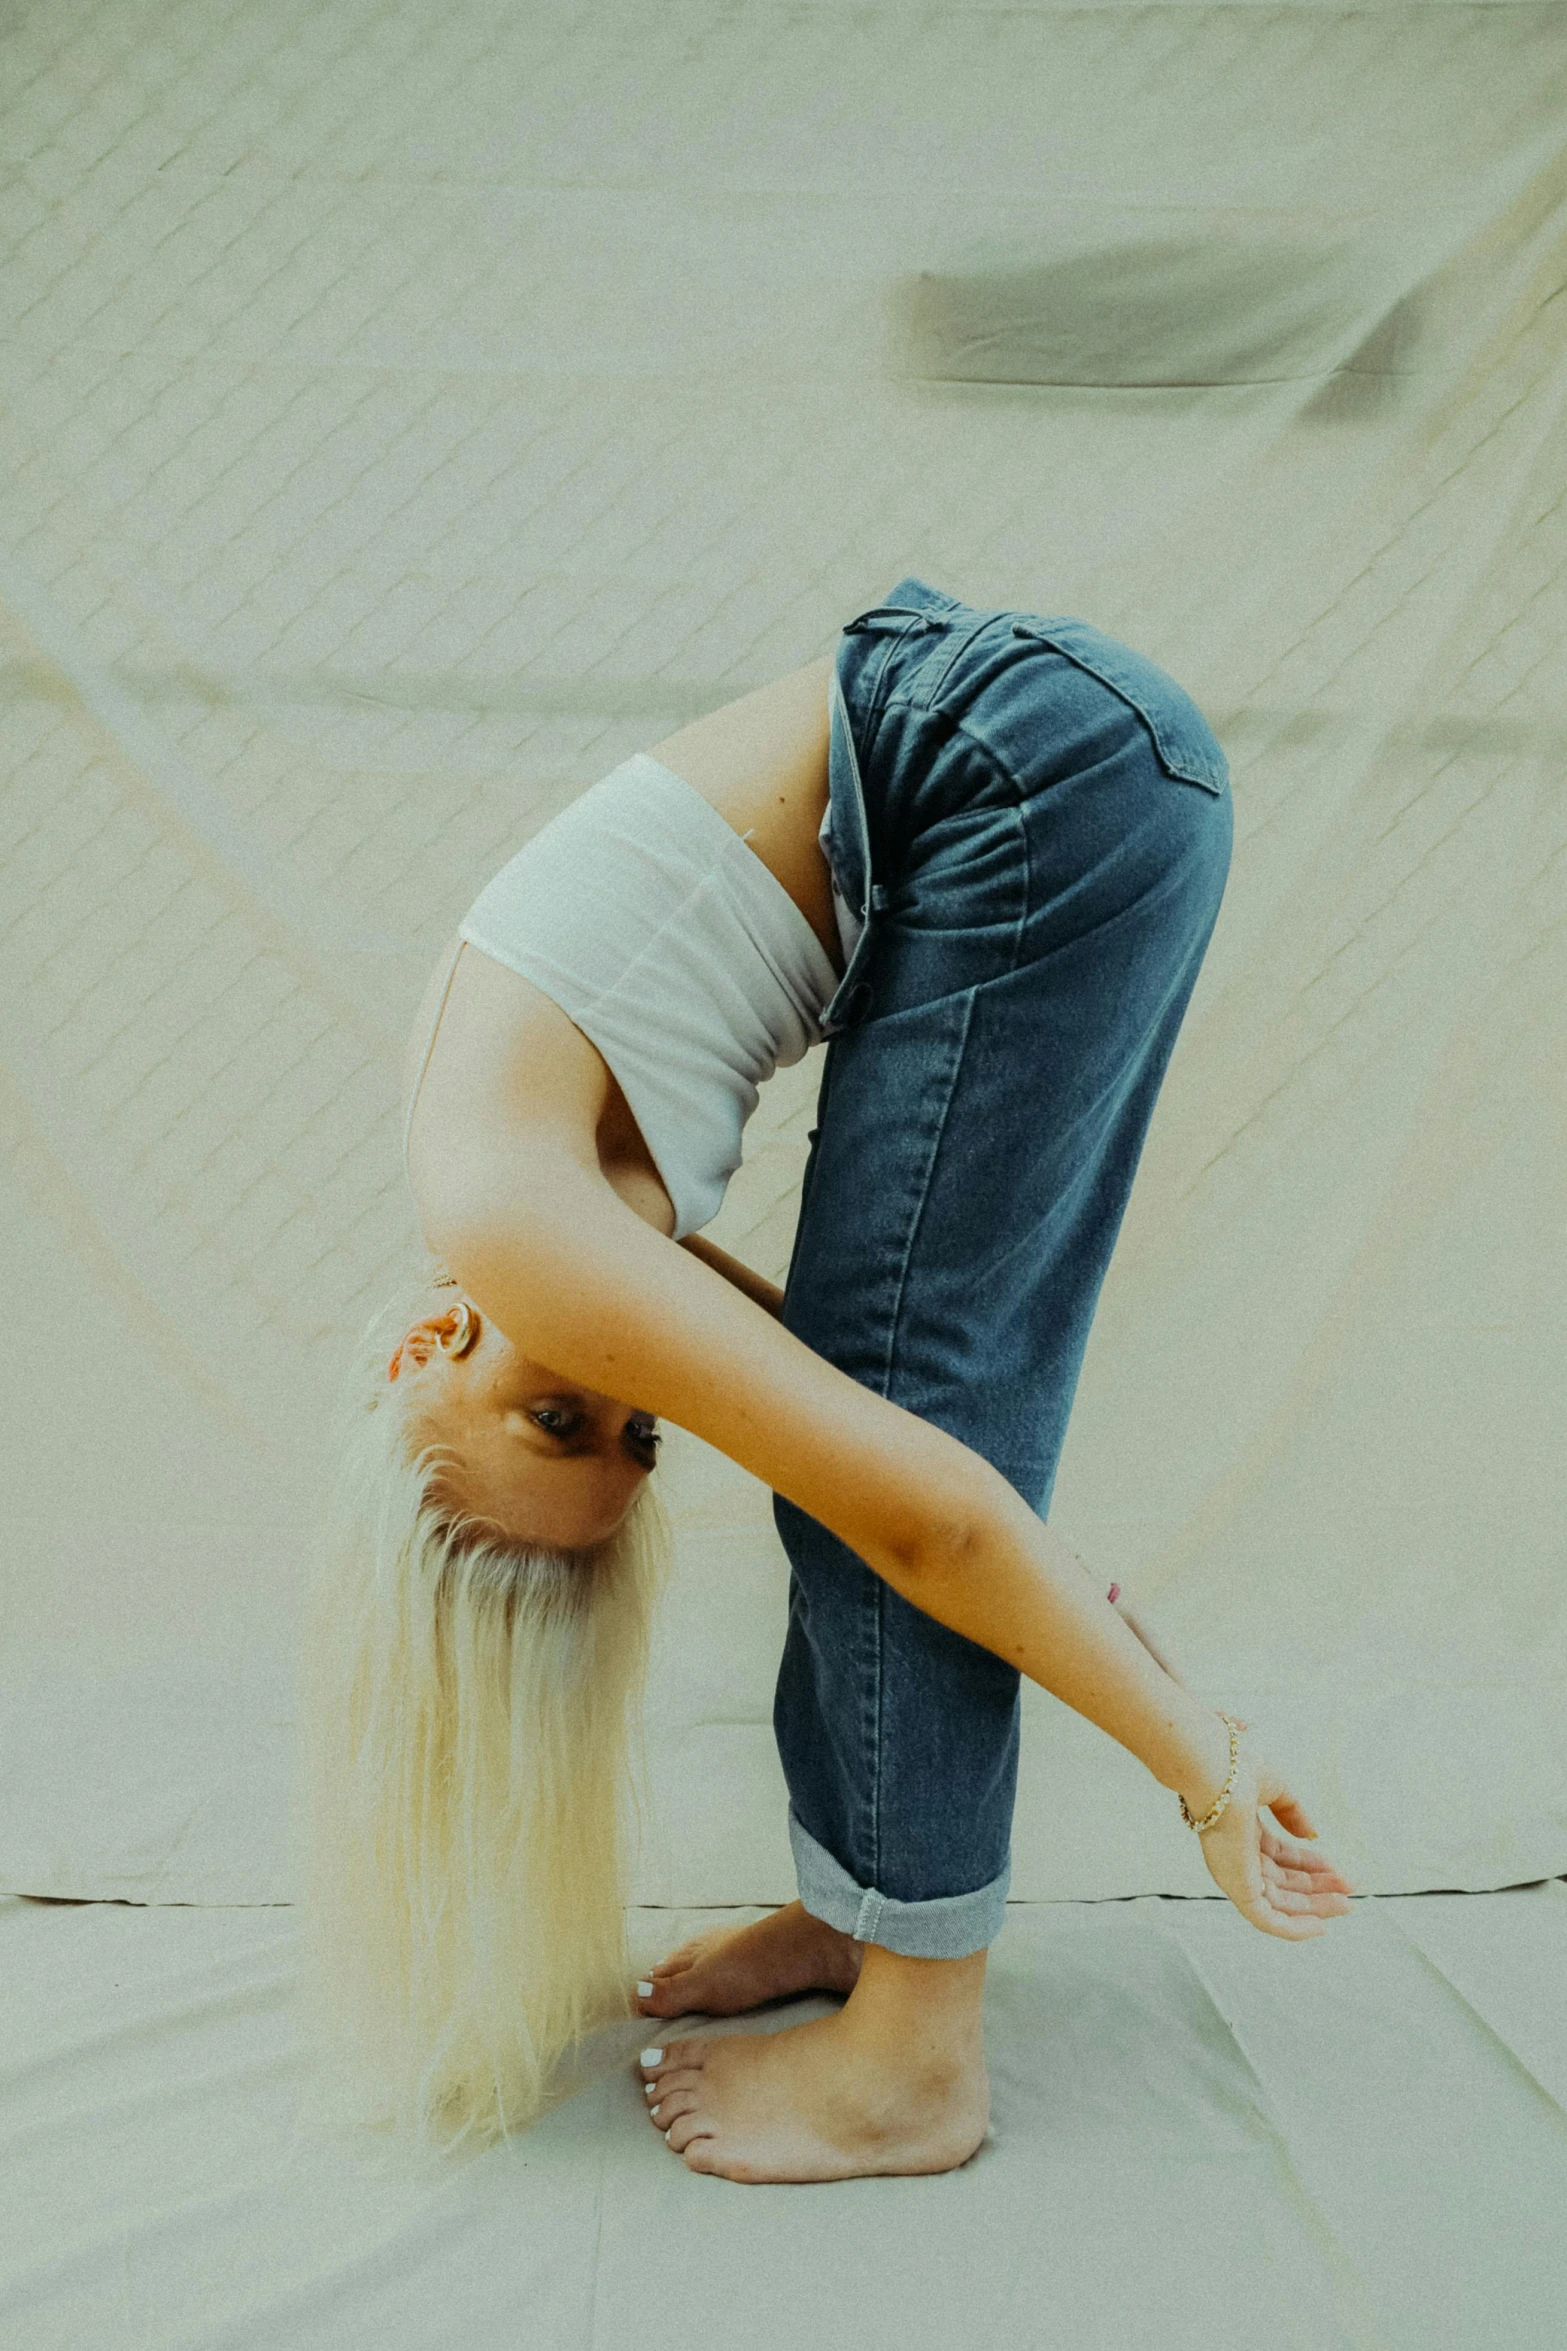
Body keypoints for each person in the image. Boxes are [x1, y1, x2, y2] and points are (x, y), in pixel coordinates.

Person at [300, 576, 1354, 2180]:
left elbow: (916, 1502)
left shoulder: (507, 1218)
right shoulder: (505, 1184)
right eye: (629, 1434)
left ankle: (914, 2058)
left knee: (895, 1459)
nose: (611, 1386)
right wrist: (1056, 1581)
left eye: (552, 1415)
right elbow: (853, 1424)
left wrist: (1198, 1765)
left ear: (421, 1349)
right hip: (1039, 752)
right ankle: (862, 1907)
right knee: (880, 1433)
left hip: (1022, 767)